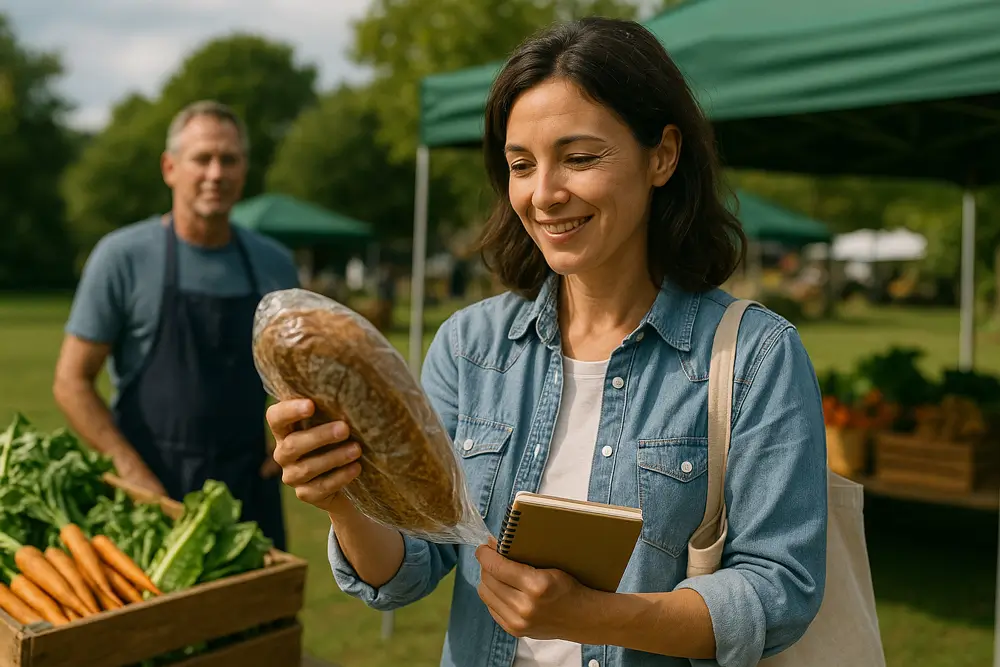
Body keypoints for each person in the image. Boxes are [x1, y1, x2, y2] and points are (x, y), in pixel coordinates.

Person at [266, 17, 828, 667]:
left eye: (580, 157)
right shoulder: (469, 347)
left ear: (663, 155)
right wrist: (343, 497)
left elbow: (777, 589)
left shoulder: (756, 356)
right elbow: (410, 566)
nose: (544, 194)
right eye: (521, 165)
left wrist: (596, 617)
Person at [54, 100, 299, 552]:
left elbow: (303, 372)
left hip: (249, 499)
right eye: (201, 158)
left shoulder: (275, 264)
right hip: (151, 498)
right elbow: (71, 381)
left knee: (259, 622)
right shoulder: (122, 258)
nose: (215, 173)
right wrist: (129, 470)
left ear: (244, 169)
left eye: (229, 159)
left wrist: (293, 437)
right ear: (170, 167)